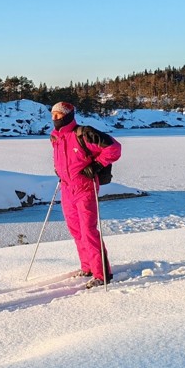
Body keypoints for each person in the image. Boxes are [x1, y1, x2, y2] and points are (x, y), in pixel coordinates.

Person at [49, 101, 122, 289]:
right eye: (53, 115)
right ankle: (88, 267)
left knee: (88, 230)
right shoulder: (56, 137)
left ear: (67, 115)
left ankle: (102, 274)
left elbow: (114, 148)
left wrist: (96, 166)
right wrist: (59, 172)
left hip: (85, 187)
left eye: (57, 115)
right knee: (76, 230)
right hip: (67, 188)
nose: (54, 118)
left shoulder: (84, 133)